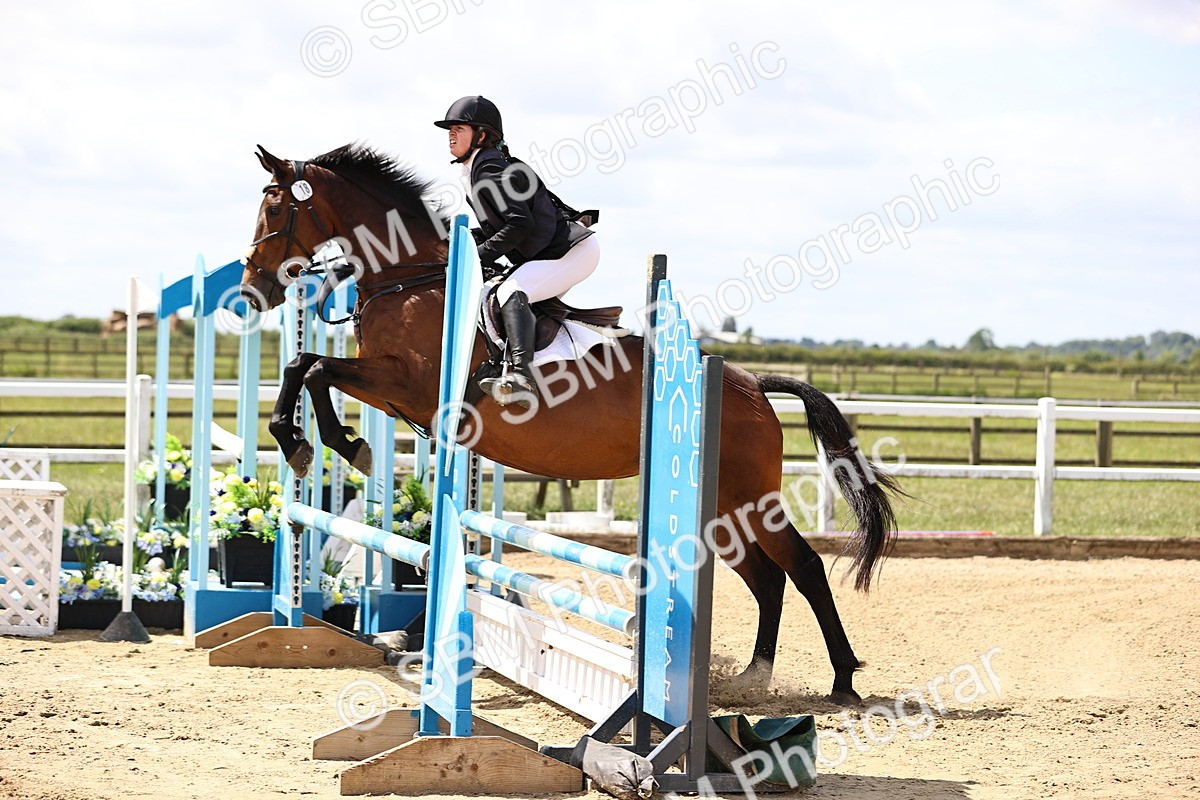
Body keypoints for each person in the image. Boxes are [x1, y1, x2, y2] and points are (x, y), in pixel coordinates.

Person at [435, 95, 600, 409]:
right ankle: (508, 365)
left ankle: (522, 377)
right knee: (495, 293)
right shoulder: (479, 167)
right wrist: (459, 247)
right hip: (556, 252)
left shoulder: (489, 167)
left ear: (481, 135)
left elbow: (519, 224)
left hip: (572, 253)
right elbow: (498, 226)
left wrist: (477, 256)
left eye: (459, 128)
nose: (451, 135)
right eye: (449, 129)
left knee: (512, 290)